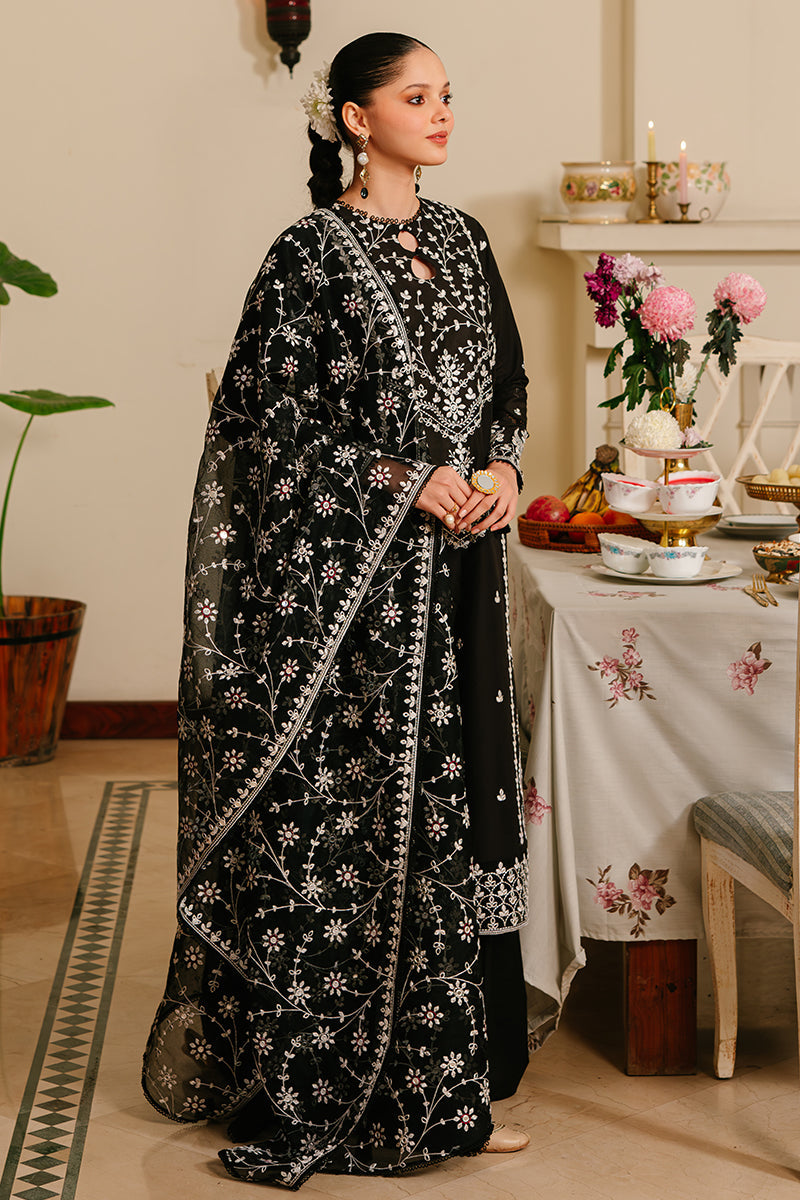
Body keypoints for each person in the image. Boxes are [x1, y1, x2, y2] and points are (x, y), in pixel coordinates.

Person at [142, 31, 530, 1190]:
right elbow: (265, 433)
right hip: (350, 609)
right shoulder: (306, 255)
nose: (441, 113)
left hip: (458, 587)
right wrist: (403, 479)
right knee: (361, 836)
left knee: (449, 827)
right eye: (416, 96)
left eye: (447, 95)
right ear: (355, 120)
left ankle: (447, 1090)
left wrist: (502, 471)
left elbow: (504, 389)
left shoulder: (463, 239)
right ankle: (338, 1086)